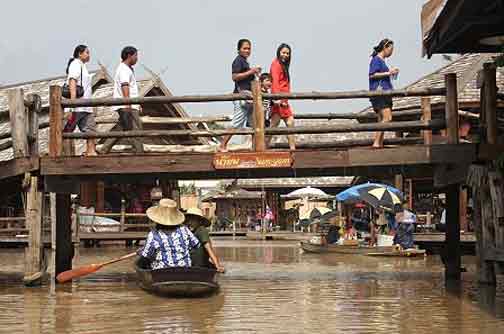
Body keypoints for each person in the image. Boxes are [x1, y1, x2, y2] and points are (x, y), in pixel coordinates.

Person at [219, 39, 261, 152]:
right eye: (245, 48)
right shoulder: (238, 61)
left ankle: (254, 147)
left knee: (254, 122)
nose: (247, 50)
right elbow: (235, 77)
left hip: (248, 98)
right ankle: (222, 145)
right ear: (239, 49)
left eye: (249, 48)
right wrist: (251, 72)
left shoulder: (244, 62)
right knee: (237, 122)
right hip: (241, 97)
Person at [101, 46, 143, 153]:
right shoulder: (124, 69)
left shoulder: (127, 69)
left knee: (122, 128)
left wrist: (137, 103)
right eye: (136, 55)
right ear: (129, 56)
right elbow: (125, 86)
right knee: (136, 129)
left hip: (130, 104)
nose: (137, 58)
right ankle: (139, 152)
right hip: (128, 105)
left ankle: (104, 149)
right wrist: (127, 103)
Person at [137, 199, 200, 269]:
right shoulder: (184, 229)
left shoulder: (153, 235)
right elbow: (196, 245)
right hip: (185, 270)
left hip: (161, 272)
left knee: (141, 263)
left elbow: (145, 257)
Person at [63, 44, 97, 156]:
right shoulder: (75, 64)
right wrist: (73, 103)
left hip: (86, 105)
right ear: (80, 53)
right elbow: (72, 81)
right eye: (87, 52)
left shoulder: (83, 66)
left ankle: (90, 151)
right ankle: (63, 153)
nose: (89, 55)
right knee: (68, 129)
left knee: (90, 129)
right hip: (77, 105)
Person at [368, 38, 399, 148]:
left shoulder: (381, 61)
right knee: (387, 118)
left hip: (384, 93)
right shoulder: (376, 60)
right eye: (391, 49)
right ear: (385, 48)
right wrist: (389, 72)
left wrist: (390, 73)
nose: (392, 52)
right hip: (379, 93)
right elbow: (372, 75)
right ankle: (376, 143)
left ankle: (379, 143)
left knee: (382, 119)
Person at [269, 43, 296, 150]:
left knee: (277, 124)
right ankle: (292, 148)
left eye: (287, 53)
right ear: (279, 52)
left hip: (283, 99)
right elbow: (275, 81)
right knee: (287, 123)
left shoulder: (283, 65)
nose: (285, 55)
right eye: (283, 53)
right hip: (279, 100)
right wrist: (277, 98)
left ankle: (292, 149)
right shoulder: (276, 64)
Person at [185, 207, 225, 273]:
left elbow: (209, 249)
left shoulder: (201, 230)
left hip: (200, 266)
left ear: (199, 221)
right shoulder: (186, 231)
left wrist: (217, 266)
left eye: (193, 220)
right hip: (189, 266)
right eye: (188, 220)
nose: (190, 222)